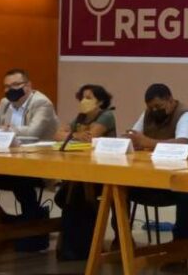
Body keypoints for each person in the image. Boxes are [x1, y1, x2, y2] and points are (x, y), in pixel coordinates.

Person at [121, 83, 188, 244]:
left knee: (186, 192)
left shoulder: (185, 115)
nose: (154, 111)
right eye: (151, 107)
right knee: (117, 188)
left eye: (158, 106)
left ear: (170, 100)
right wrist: (130, 140)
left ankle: (180, 245)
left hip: (183, 180)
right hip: (153, 178)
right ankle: (122, 240)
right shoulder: (148, 114)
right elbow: (134, 135)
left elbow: (183, 143)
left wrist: (147, 142)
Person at [0, 68, 59, 252]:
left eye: (15, 85)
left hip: (39, 165)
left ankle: (29, 227)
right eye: (6, 86)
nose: (10, 90)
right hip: (9, 162)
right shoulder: (5, 103)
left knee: (21, 183)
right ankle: (7, 224)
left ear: (28, 86)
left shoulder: (41, 103)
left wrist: (7, 129)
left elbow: (33, 132)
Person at [53, 84, 116, 260]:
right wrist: (75, 135)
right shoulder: (81, 117)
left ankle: (84, 244)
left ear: (100, 101)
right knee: (69, 193)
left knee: (75, 193)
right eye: (82, 97)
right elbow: (57, 135)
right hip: (81, 170)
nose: (83, 101)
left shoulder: (106, 115)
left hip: (103, 171)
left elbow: (91, 137)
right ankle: (75, 245)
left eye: (88, 98)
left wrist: (72, 135)